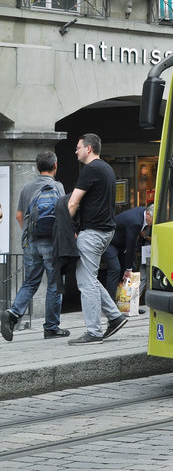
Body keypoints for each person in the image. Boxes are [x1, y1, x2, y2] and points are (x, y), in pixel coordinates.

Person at [67, 134, 127, 345]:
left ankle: (93, 332)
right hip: (105, 232)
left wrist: (67, 227)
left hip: (92, 232)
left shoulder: (90, 169)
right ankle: (115, 317)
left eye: (78, 147)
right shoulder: (107, 168)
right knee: (90, 278)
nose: (76, 151)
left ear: (89, 148)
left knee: (86, 283)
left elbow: (73, 203)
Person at [2, 152, 69, 341]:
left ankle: (13, 313)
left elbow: (19, 216)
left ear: (37, 167)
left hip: (31, 242)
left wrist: (30, 232)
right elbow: (65, 214)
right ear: (55, 166)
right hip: (52, 242)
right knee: (55, 284)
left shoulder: (27, 187)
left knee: (30, 282)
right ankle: (51, 327)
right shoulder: (58, 186)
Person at [112, 205, 153, 311]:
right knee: (115, 269)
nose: (154, 222)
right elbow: (131, 244)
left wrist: (130, 268)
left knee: (133, 269)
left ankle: (131, 305)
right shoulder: (136, 221)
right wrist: (128, 268)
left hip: (123, 243)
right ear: (148, 214)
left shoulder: (142, 213)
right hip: (112, 242)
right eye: (153, 218)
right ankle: (112, 305)